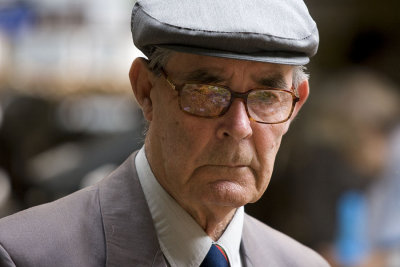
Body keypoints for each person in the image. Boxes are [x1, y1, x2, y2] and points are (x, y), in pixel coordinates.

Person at [0, 0, 329, 266]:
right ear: (145, 90)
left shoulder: (302, 263)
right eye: (206, 93)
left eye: (266, 97)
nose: (240, 128)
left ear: (296, 103)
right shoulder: (23, 255)